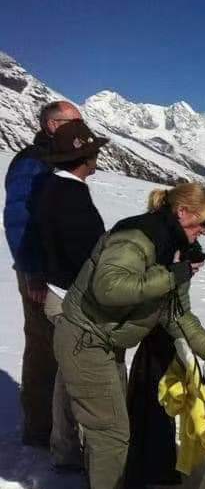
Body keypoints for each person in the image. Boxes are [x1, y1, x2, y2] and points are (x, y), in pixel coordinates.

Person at [53, 182, 205, 489]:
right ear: (183, 213)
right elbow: (109, 287)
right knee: (110, 432)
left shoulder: (174, 250)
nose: (204, 232)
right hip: (85, 340)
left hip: (105, 343)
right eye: (202, 223)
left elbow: (178, 315)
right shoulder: (136, 238)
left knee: (109, 427)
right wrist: (171, 275)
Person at [3, 100, 82, 446]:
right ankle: (39, 427)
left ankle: (56, 423)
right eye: (75, 122)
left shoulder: (54, 158)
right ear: (53, 125)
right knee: (42, 344)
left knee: (58, 343)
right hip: (39, 270)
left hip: (57, 269)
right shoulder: (32, 163)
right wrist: (33, 271)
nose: (82, 128)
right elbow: (18, 219)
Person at [32, 119, 109, 468]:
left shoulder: (49, 188)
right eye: (93, 152)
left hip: (55, 290)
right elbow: (85, 257)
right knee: (83, 377)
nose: (97, 158)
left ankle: (63, 446)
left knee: (67, 372)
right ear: (83, 158)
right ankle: (76, 451)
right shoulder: (72, 197)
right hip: (72, 299)